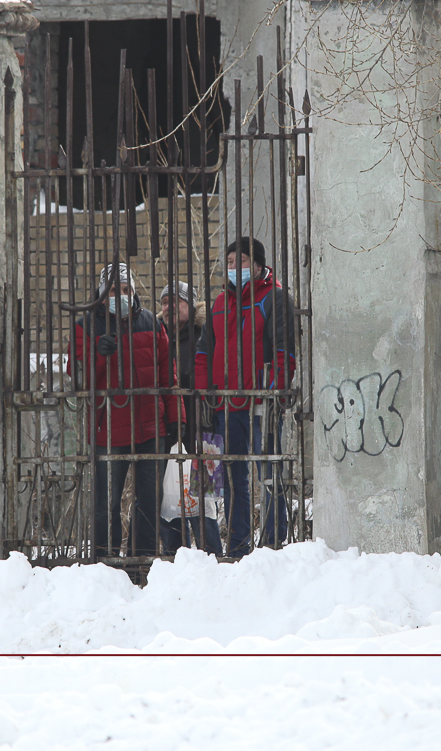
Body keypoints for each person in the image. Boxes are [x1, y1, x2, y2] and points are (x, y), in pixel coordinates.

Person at [68, 263, 182, 557]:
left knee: (149, 502)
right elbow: (77, 378)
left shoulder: (152, 323)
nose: (119, 295)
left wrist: (175, 417)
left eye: (125, 289)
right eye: (112, 291)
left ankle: (141, 561)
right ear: (101, 294)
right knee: (106, 505)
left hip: (151, 427)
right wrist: (97, 354)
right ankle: (104, 560)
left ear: (133, 291)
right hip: (108, 429)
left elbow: (168, 376)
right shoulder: (85, 325)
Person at [194, 237, 296, 557]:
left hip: (260, 403)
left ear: (258, 264)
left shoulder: (274, 298)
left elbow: (284, 352)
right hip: (225, 405)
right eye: (229, 262)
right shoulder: (220, 303)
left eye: (240, 261)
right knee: (232, 476)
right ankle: (238, 544)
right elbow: (203, 352)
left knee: (269, 474)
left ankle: (273, 542)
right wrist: (205, 394)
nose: (233, 267)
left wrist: (275, 391)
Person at [158, 280, 221, 555]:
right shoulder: (158, 335)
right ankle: (174, 557)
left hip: (204, 428)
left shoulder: (204, 335)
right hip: (166, 431)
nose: (169, 307)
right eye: (164, 302)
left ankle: (213, 557)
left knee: (205, 505)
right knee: (168, 501)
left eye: (176, 301)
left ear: (191, 306)